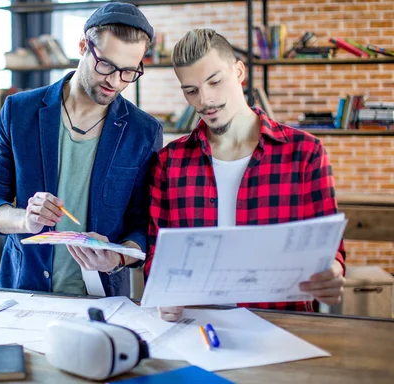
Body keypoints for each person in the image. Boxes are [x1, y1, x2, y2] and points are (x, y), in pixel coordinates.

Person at [145, 29, 346, 321]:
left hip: (282, 327)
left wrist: (332, 273)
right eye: (191, 90)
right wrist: (163, 291)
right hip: (195, 327)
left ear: (238, 71)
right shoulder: (169, 162)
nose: (206, 100)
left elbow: (330, 251)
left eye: (215, 81)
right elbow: (156, 257)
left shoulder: (306, 153)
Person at [0, 2, 163, 297]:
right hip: (21, 293)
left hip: (103, 300)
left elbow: (142, 224)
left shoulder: (144, 131)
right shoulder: (19, 111)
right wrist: (24, 219)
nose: (115, 81)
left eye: (128, 72)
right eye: (107, 66)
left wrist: (118, 257)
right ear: (83, 46)